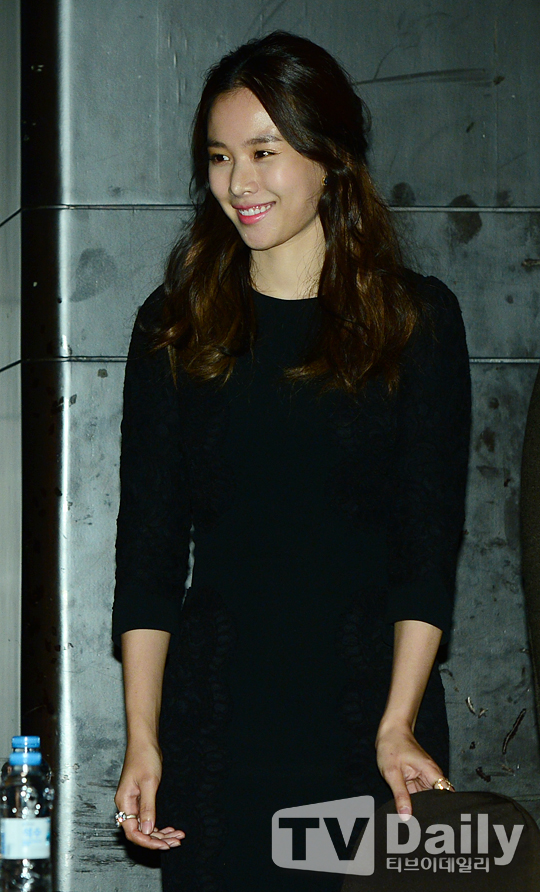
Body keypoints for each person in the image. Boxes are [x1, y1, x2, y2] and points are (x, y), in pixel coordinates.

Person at [112, 31, 471, 892]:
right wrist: (143, 740)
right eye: (220, 157)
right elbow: (148, 559)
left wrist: (399, 722)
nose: (239, 182)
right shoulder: (175, 326)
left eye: (264, 152)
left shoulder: (414, 321)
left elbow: (428, 548)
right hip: (217, 737)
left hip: (370, 731)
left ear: (330, 157)